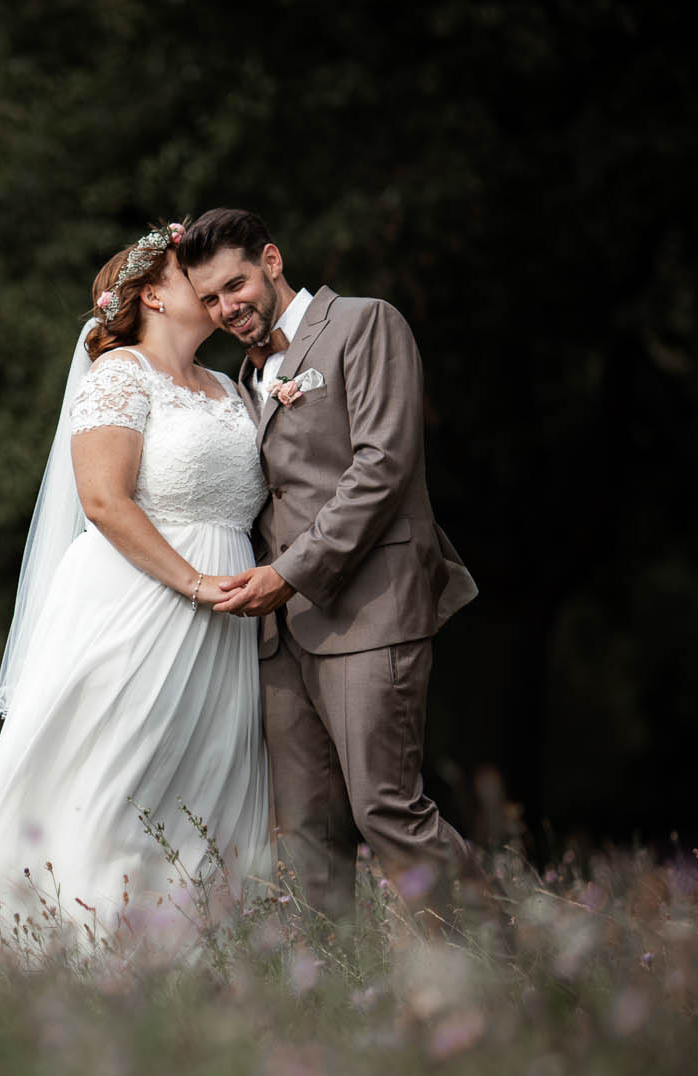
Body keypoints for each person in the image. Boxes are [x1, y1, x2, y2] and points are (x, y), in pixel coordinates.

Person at [0, 224, 273, 965]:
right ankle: (68, 956)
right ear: (152, 293)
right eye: (192, 274)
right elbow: (105, 503)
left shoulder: (232, 387)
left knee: (200, 792)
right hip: (140, 601)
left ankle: (183, 967)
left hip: (227, 621)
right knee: (113, 781)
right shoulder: (120, 375)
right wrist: (197, 582)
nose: (212, 288)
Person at [175, 208, 479, 931]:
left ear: (272, 261)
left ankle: (505, 972)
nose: (226, 308)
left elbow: (382, 467)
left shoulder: (365, 324)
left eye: (236, 284)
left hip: (370, 609)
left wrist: (288, 573)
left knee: (387, 808)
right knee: (307, 833)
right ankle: (338, 1001)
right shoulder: (241, 378)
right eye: (211, 299)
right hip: (279, 637)